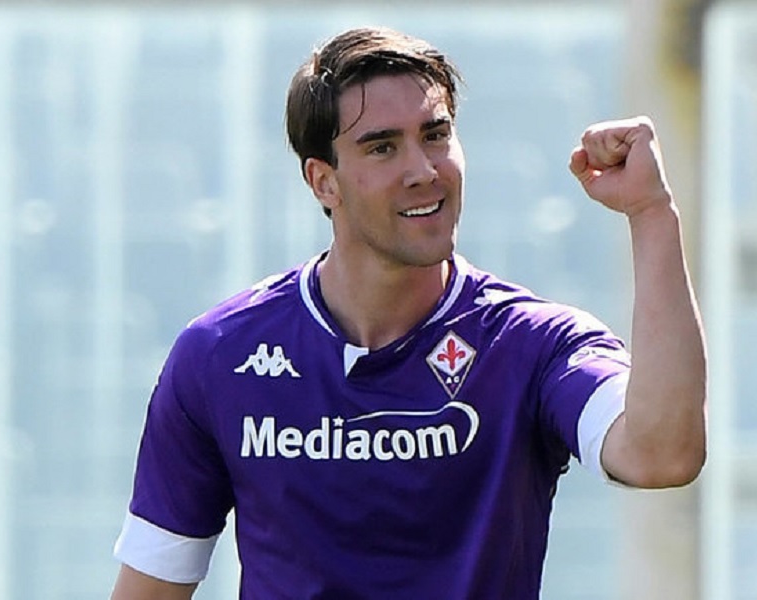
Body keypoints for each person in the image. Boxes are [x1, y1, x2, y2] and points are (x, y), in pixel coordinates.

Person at [110, 25, 707, 600]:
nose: (423, 171)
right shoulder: (219, 356)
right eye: (382, 147)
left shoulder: (533, 343)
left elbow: (662, 454)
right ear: (323, 182)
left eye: (436, 135)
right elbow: (150, 588)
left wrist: (652, 213)